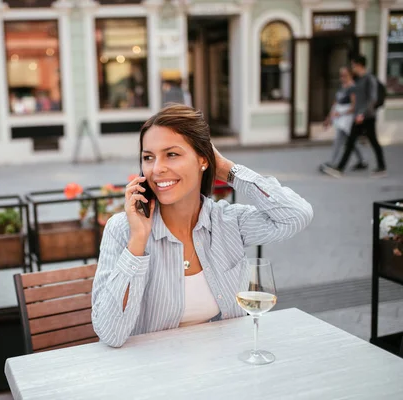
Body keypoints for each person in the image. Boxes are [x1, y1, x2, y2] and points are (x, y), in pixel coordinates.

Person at [91, 104, 314, 348]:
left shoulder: (229, 222)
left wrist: (227, 170)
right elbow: (110, 334)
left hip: (226, 366)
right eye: (148, 157)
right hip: (155, 376)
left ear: (203, 160)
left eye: (172, 154)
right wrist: (137, 242)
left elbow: (296, 215)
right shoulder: (123, 229)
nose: (157, 169)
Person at [322, 55, 387, 178]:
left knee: (373, 141)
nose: (352, 68)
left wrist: (362, 113)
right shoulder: (358, 80)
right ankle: (340, 168)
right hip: (357, 116)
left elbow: (372, 99)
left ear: (359, 65)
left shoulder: (369, 79)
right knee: (351, 141)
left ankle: (381, 167)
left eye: (353, 65)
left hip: (367, 117)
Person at [319, 66, 367, 172]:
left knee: (340, 140)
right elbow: (336, 103)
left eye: (344, 75)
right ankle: (362, 160)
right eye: (340, 75)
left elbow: (354, 106)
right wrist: (329, 117)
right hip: (340, 118)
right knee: (350, 141)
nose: (342, 77)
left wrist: (340, 113)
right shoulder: (342, 87)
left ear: (350, 75)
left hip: (347, 119)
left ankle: (333, 162)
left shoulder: (353, 88)